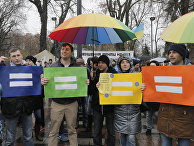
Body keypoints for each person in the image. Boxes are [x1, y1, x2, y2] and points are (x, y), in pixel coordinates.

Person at [142, 44, 194, 146]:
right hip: (165, 118)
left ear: (182, 55)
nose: (171, 55)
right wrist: (146, 88)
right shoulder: (162, 72)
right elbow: (153, 99)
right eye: (169, 52)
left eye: (174, 52)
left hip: (184, 118)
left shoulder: (191, 72)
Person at [41, 43, 89, 146]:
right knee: (54, 131)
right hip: (57, 103)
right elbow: (46, 87)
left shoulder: (77, 68)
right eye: (62, 49)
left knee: (72, 130)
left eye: (67, 49)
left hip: (72, 103)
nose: (64, 51)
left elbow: (83, 85)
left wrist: (86, 83)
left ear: (71, 52)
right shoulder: (52, 67)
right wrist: (43, 82)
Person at [0, 49, 35, 146]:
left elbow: (36, 83)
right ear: (10, 58)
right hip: (10, 107)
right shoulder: (4, 68)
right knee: (10, 139)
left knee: (28, 137)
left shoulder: (29, 68)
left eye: (18, 55)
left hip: (26, 107)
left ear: (22, 56)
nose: (16, 58)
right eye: (14, 56)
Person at [114, 57, 141, 146]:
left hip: (134, 111)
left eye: (127, 62)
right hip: (120, 111)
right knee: (123, 135)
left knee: (131, 137)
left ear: (130, 64)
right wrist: (101, 86)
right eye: (122, 62)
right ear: (119, 65)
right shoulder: (115, 77)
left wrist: (143, 87)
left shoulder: (138, 76)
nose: (125, 64)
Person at [91, 55, 117, 146]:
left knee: (111, 131)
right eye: (99, 63)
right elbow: (90, 91)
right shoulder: (95, 74)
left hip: (110, 107)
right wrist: (93, 84)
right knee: (97, 131)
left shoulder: (114, 73)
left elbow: (117, 89)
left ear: (107, 64)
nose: (100, 65)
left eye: (102, 63)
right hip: (97, 107)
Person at [25, 56, 45, 141]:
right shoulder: (24, 70)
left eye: (29, 61)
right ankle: (29, 136)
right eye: (26, 61)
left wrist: (42, 81)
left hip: (37, 98)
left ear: (33, 62)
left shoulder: (39, 70)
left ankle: (37, 134)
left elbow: (43, 83)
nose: (27, 62)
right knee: (28, 118)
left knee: (39, 117)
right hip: (27, 98)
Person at [145, 60, 160, 135]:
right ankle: (149, 128)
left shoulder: (161, 75)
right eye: (150, 66)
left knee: (158, 115)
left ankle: (160, 129)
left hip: (158, 100)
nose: (152, 67)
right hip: (149, 99)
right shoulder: (145, 75)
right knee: (148, 115)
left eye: (154, 66)